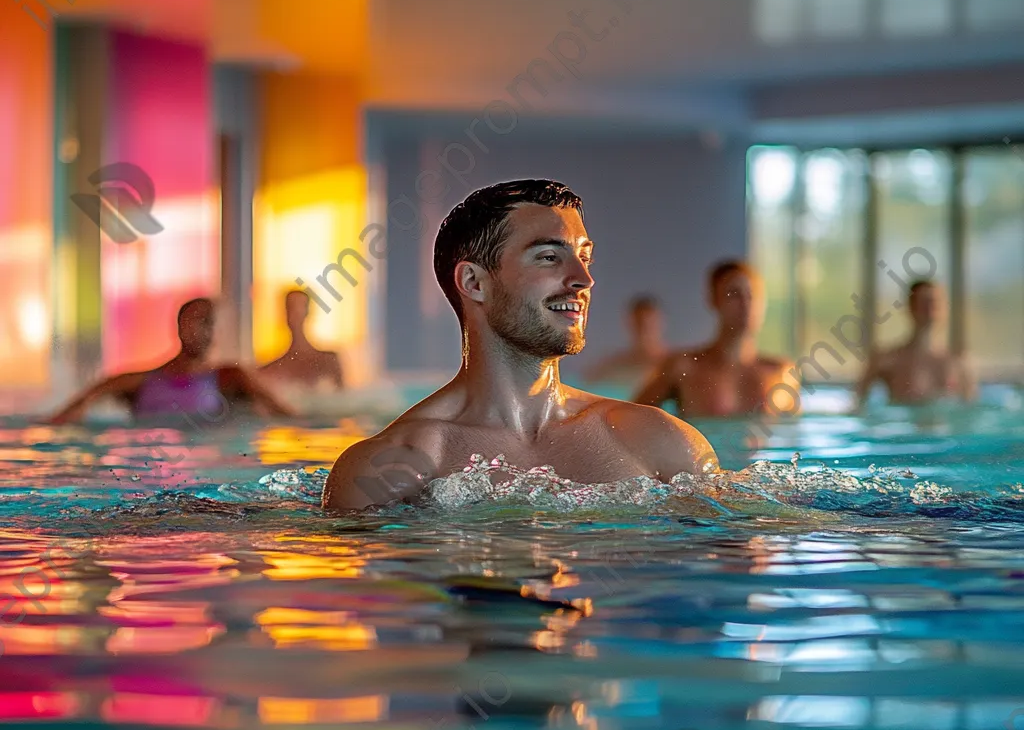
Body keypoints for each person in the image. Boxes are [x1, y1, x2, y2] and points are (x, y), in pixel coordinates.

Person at [322, 180, 718, 511]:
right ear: (475, 283)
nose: (583, 279)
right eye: (549, 257)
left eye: (584, 258)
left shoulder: (662, 442)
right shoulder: (389, 469)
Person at [48, 297, 294, 423]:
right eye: (193, 322)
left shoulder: (230, 377)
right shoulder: (141, 381)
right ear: (178, 327)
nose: (199, 330)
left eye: (207, 322)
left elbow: (284, 413)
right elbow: (83, 401)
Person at [632, 260, 799, 417]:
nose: (746, 304)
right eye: (734, 294)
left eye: (752, 294)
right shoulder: (683, 368)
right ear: (714, 300)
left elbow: (795, 437)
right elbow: (630, 421)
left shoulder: (782, 373)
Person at [855, 280, 975, 407]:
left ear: (944, 309)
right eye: (924, 304)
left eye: (934, 304)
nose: (930, 311)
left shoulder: (958, 363)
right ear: (911, 307)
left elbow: (972, 411)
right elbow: (858, 403)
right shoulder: (886, 359)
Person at [259, 290, 344, 390]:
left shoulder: (328, 361)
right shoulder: (274, 368)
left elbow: (342, 398)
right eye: (290, 308)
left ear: (307, 312)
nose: (294, 315)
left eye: (299, 308)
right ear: (284, 313)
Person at [582, 294, 670, 390]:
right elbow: (586, 385)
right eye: (639, 323)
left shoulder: (674, 365)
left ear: (661, 322)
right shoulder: (613, 366)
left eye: (649, 323)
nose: (645, 329)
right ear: (630, 323)